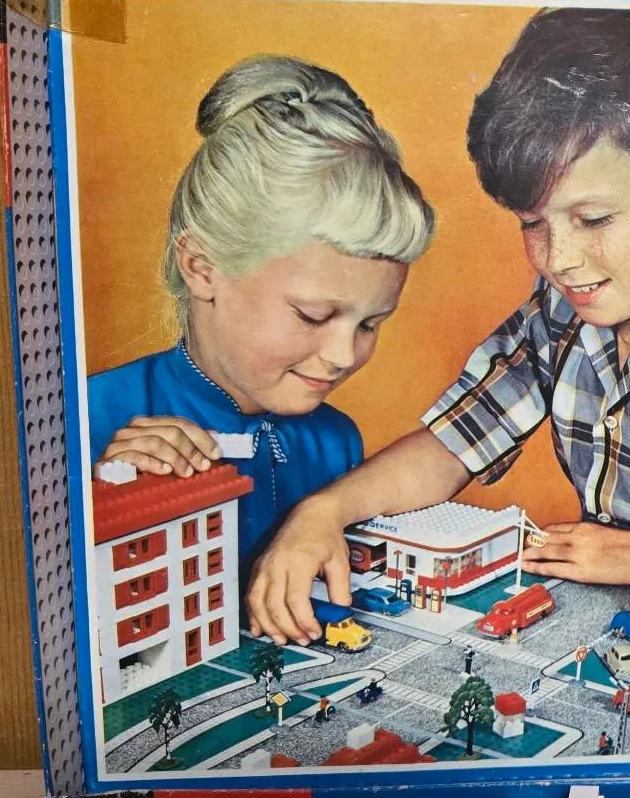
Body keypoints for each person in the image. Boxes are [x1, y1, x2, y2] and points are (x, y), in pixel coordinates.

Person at [247, 8, 630, 648]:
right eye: (533, 223)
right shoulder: (561, 311)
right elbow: (452, 444)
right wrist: (322, 512)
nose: (558, 259)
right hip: (621, 634)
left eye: (593, 219)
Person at [87, 55, 436, 591]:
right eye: (313, 316)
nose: (344, 355)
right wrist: (105, 499)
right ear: (202, 268)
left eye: (371, 324)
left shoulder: (336, 441)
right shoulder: (81, 420)